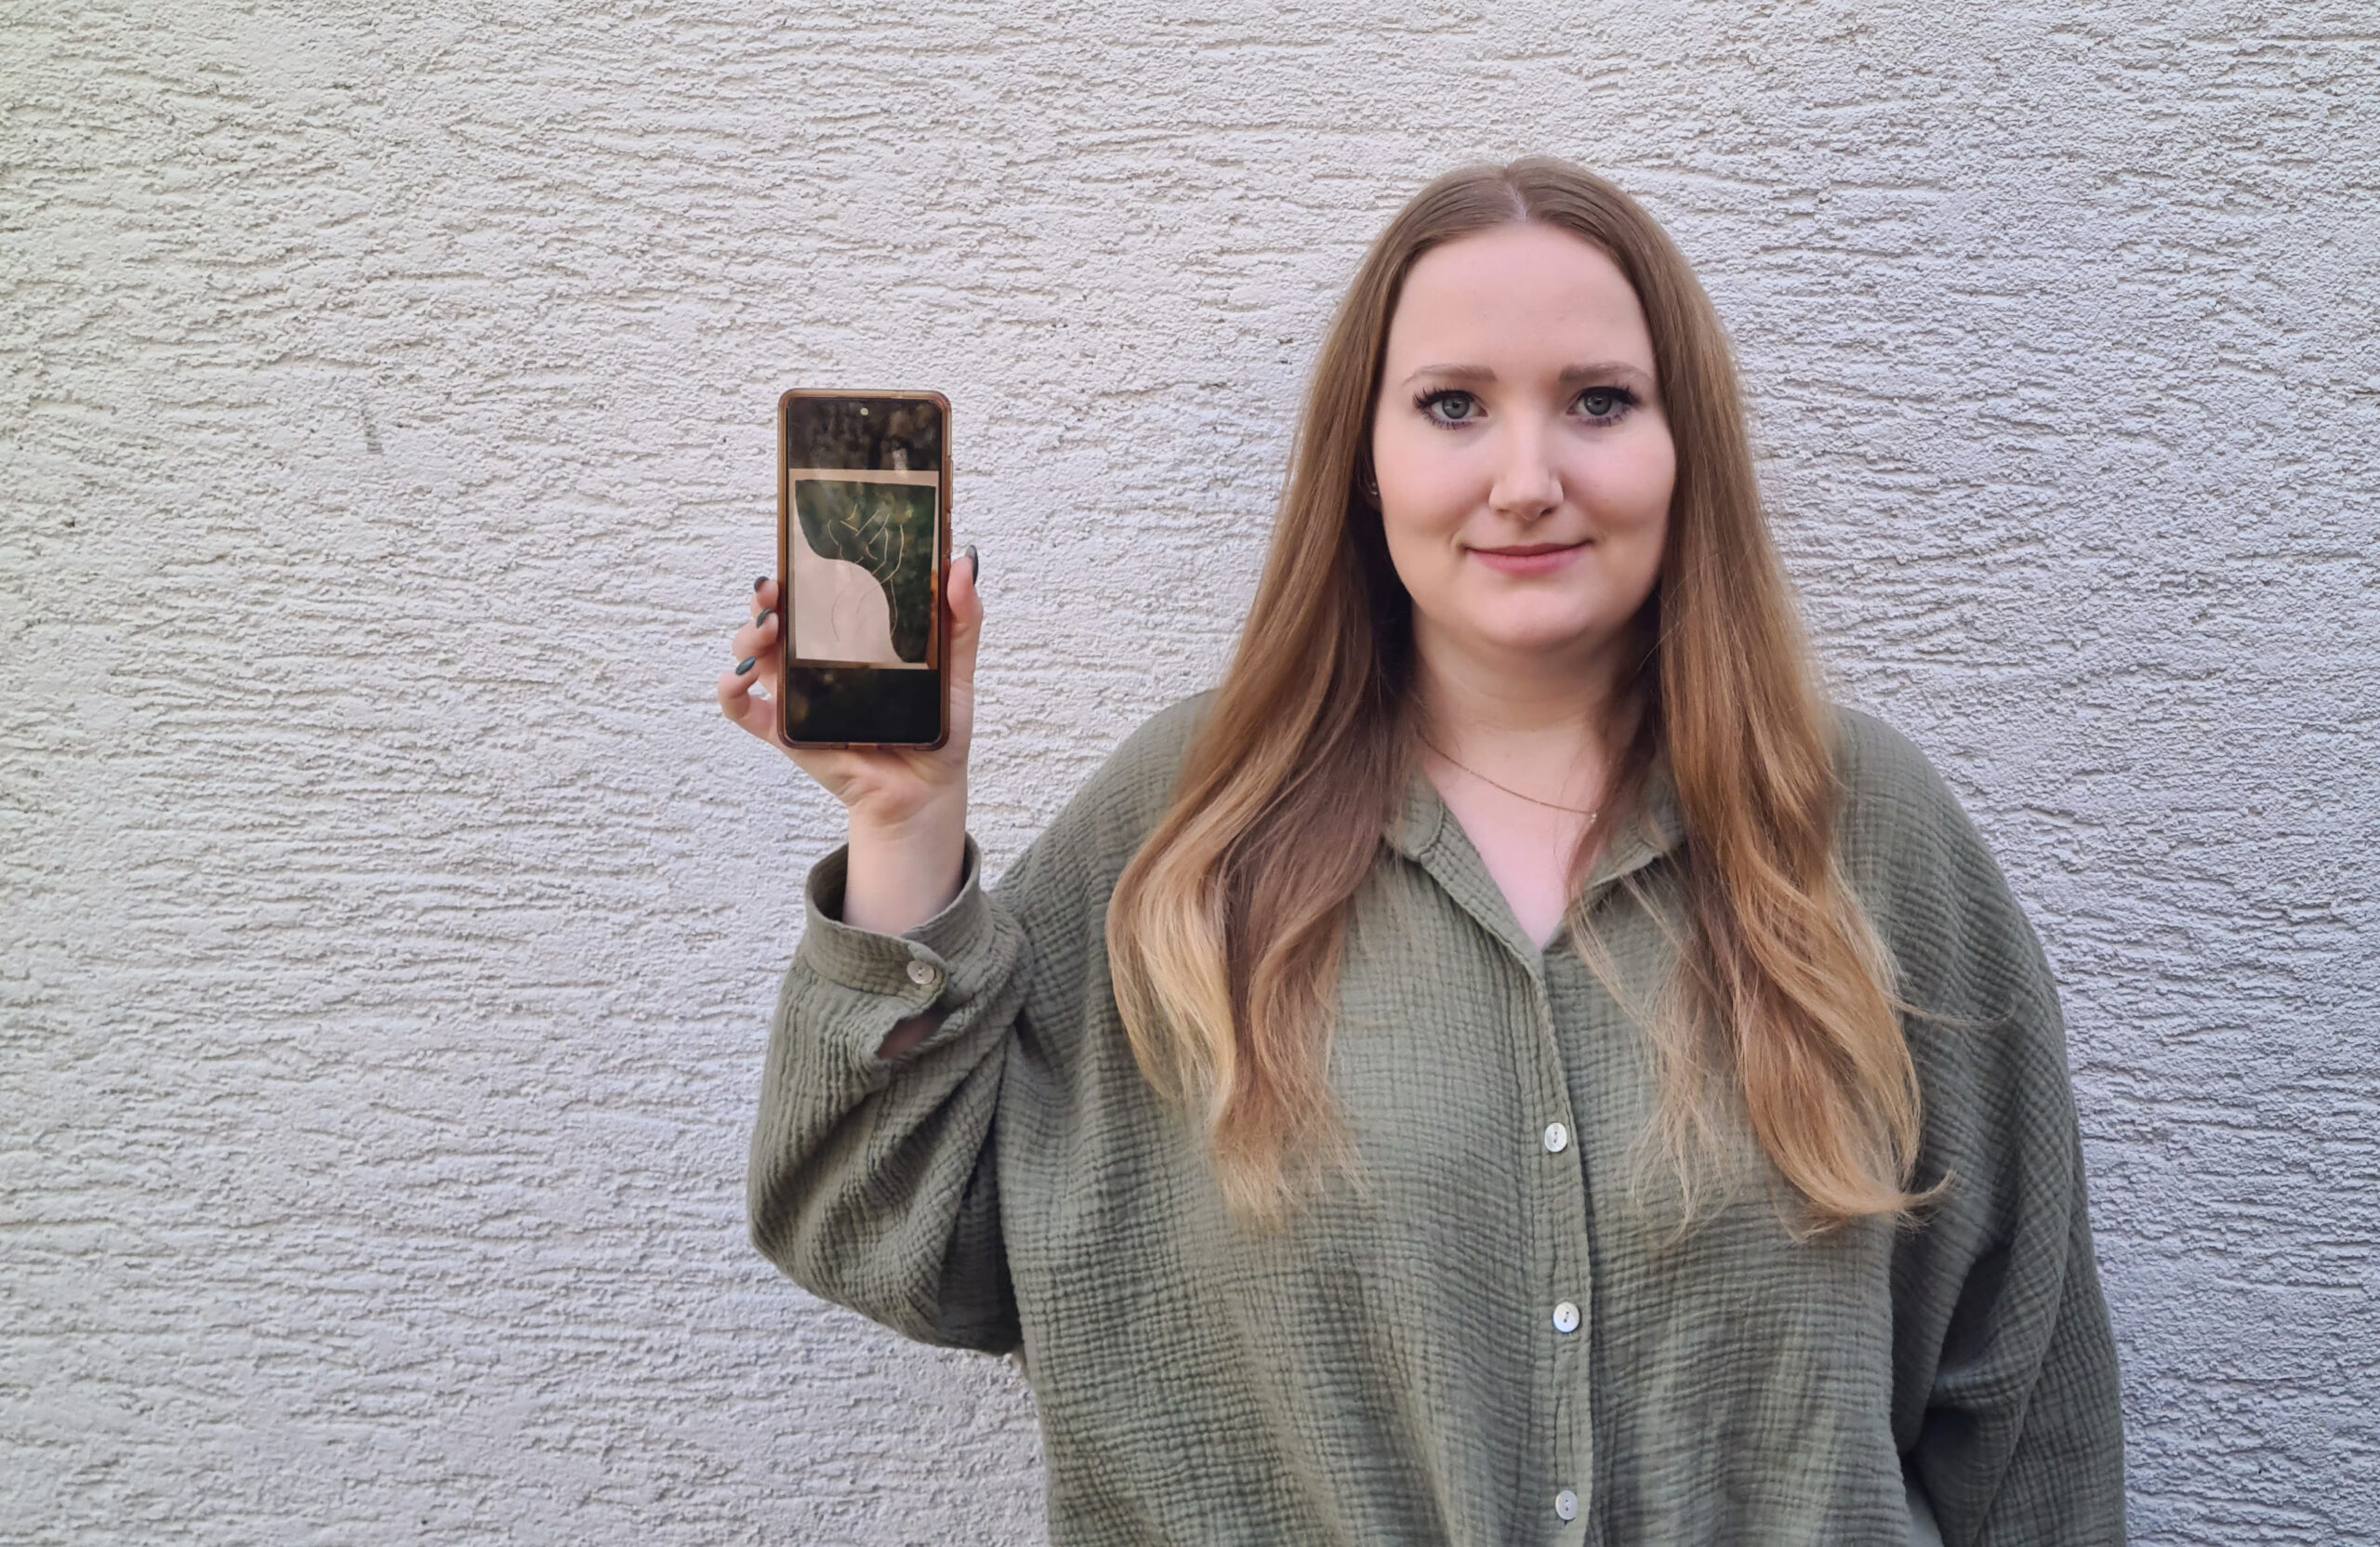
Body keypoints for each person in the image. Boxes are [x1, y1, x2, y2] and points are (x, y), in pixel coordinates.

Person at [718, 157, 2125, 1545]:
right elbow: (893, 1237)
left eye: (1598, 402)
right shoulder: (1198, 818)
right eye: (1454, 405)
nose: (1527, 479)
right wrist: (903, 824)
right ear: (1365, 462)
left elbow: (2024, 1405)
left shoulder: (1859, 827)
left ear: (1682, 443)